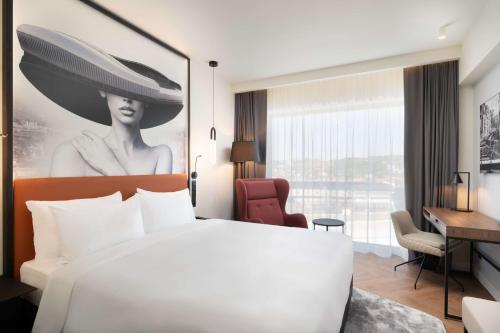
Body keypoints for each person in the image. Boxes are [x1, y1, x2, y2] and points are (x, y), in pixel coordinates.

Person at [16, 24, 183, 177]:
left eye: (137, 93)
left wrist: (111, 167)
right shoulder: (71, 154)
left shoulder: (160, 155)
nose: (127, 98)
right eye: (118, 88)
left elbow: (151, 210)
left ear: (146, 101)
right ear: (103, 90)